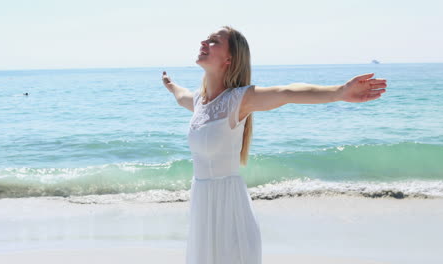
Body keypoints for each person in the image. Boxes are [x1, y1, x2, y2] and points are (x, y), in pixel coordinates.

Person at [162, 26, 387, 264]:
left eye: (214, 41)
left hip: (229, 208)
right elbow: (181, 95)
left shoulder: (239, 99)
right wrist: (170, 84)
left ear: (229, 59)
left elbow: (287, 92)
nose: (204, 42)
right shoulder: (200, 102)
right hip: (203, 207)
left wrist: (339, 92)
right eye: (206, 39)